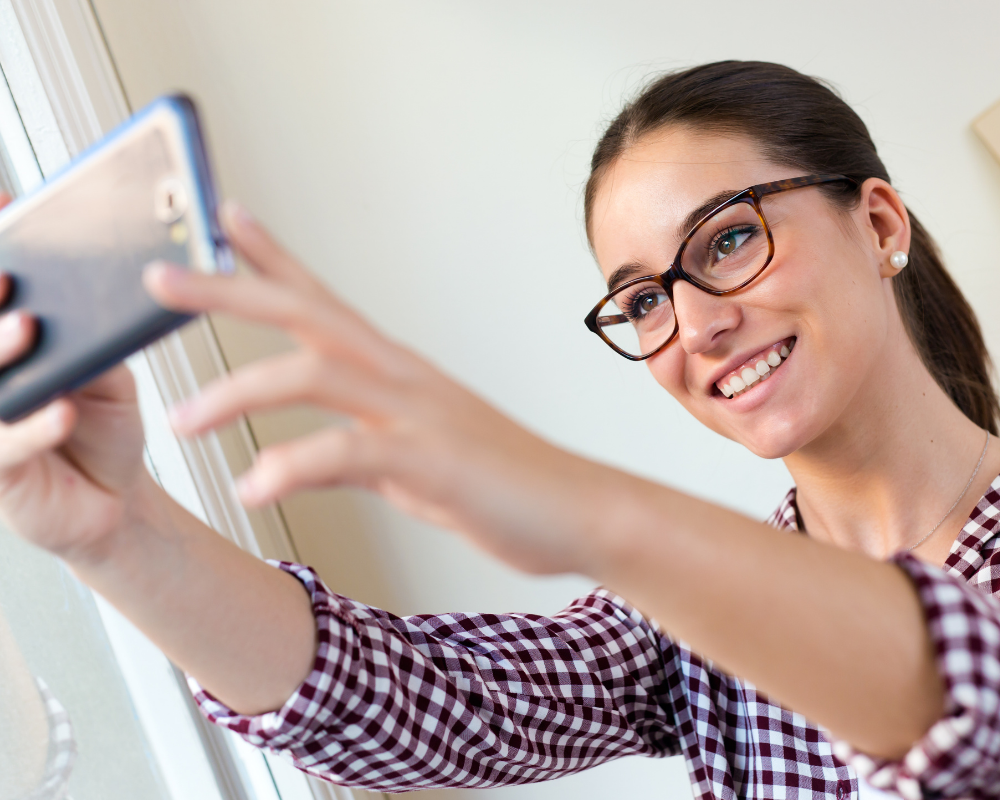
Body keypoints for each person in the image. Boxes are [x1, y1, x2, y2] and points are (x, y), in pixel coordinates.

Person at [0, 59, 998, 800]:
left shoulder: (700, 580)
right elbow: (421, 700)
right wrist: (115, 523)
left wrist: (578, 500)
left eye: (729, 238)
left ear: (877, 224)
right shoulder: (688, 626)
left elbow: (971, 703)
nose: (694, 323)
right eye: (643, 299)